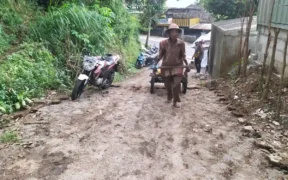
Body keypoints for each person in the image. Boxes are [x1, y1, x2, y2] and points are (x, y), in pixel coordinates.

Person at [154, 23, 189, 108]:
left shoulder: (181, 44)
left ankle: (176, 101)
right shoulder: (163, 43)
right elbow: (160, 55)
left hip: (178, 66)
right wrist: (155, 64)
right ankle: (169, 96)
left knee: (176, 84)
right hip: (166, 67)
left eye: (176, 32)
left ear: (178, 33)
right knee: (167, 85)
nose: (174, 34)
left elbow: (183, 55)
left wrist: (187, 65)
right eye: (172, 32)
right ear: (169, 33)